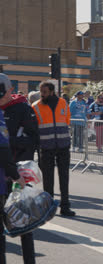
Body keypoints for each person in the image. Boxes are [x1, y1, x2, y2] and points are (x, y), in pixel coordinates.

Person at [0, 73, 36, 263]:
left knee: (24, 227)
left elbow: (33, 140)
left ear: (10, 90)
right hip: (4, 175)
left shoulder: (23, 109)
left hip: (17, 177)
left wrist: (9, 142)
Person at [32, 81, 75, 217]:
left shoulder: (63, 103)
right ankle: (48, 207)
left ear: (52, 92)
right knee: (48, 179)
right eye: (40, 92)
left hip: (63, 145)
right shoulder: (36, 106)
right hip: (46, 147)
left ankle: (65, 206)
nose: (42, 95)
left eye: (44, 92)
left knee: (64, 177)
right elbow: (34, 127)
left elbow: (66, 121)